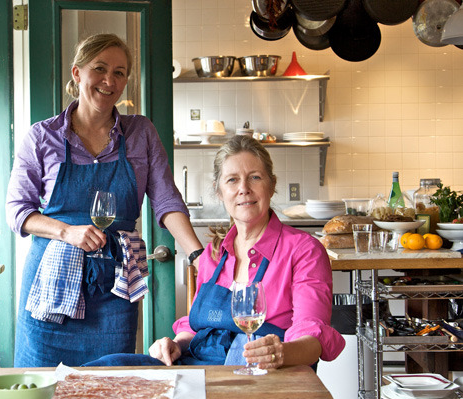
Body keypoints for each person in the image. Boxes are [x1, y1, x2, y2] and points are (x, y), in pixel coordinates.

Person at [6, 33, 203, 367]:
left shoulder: (141, 133)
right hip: (51, 288)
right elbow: (17, 212)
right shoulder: (43, 136)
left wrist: (199, 256)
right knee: (43, 387)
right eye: (100, 68)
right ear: (77, 72)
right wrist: (67, 232)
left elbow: (167, 201)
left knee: (112, 384)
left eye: (120, 72)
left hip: (116, 285)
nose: (110, 80)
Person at [87, 134, 345, 370]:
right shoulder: (213, 254)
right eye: (232, 180)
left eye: (255, 177)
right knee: (105, 369)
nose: (244, 188)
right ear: (220, 192)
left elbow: (312, 336)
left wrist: (280, 353)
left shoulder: (303, 250)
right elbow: (195, 326)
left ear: (272, 184)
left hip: (260, 375)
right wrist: (175, 344)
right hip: (198, 367)